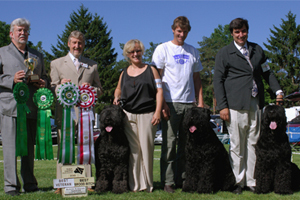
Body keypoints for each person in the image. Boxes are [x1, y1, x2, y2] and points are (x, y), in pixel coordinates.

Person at [213, 18, 284, 194]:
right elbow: (218, 80)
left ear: (247, 31)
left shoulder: (257, 50)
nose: (240, 35)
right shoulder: (224, 52)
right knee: (237, 144)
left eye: (243, 31)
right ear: (232, 34)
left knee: (253, 143)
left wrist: (278, 91)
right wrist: (222, 106)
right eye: (237, 32)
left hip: (256, 103)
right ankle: (238, 182)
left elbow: (267, 73)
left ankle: (252, 181)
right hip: (235, 104)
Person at [152, 16, 204, 193]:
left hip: (190, 104)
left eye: (185, 31)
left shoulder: (193, 51)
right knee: (169, 144)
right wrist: (162, 104)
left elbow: (197, 79)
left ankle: (182, 179)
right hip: (170, 104)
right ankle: (167, 182)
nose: (182, 34)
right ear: (173, 30)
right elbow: (157, 78)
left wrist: (200, 103)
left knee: (186, 144)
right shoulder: (162, 49)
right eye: (179, 31)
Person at [50, 30, 103, 194]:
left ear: (83, 45)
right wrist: (60, 86)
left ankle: (87, 182)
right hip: (65, 113)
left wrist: (90, 90)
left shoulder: (92, 65)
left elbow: (100, 89)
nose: (76, 46)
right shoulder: (56, 63)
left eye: (79, 43)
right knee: (63, 149)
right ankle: (61, 183)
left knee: (85, 147)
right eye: (74, 42)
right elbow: (51, 87)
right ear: (68, 43)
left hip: (85, 113)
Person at [0, 18, 48, 196]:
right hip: (10, 108)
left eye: (26, 30)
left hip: (31, 108)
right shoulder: (1, 53)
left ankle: (30, 183)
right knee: (11, 148)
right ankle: (11, 186)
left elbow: (45, 77)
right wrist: (10, 80)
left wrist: (43, 82)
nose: (23, 33)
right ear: (11, 33)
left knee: (29, 149)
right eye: (19, 30)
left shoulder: (37, 55)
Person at [113, 39, 163, 192]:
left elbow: (159, 91)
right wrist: (116, 97)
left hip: (148, 115)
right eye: (132, 52)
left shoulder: (151, 70)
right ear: (127, 54)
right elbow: (118, 90)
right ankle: (134, 185)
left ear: (142, 51)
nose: (135, 54)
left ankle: (148, 184)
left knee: (146, 150)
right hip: (128, 116)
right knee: (133, 151)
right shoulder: (124, 72)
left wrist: (157, 112)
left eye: (138, 51)